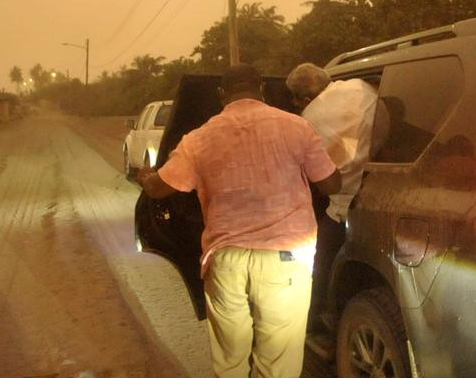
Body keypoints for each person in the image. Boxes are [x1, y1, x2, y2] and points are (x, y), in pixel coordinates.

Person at [137, 63, 341, 378]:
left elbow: (161, 188)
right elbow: (331, 185)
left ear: (222, 95)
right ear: (261, 89)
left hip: (225, 260)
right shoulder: (296, 127)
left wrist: (146, 177)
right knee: (277, 364)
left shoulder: (198, 139)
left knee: (229, 362)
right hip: (286, 258)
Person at [285, 63, 381, 330]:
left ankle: (316, 320)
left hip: (344, 204)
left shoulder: (306, 121)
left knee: (320, 261)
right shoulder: (361, 87)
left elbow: (313, 175)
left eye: (295, 101)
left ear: (304, 99)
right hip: (384, 190)